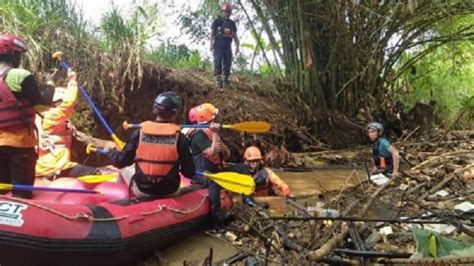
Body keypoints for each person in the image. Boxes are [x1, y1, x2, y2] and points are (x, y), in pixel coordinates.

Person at [103, 91, 195, 197]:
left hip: (142, 190)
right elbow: (189, 172)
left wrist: (111, 152)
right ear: (175, 114)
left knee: (123, 170)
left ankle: (121, 201)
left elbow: (121, 162)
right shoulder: (180, 137)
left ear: (155, 109)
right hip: (170, 190)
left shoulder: (140, 132)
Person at [0, 34, 52, 198]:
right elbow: (42, 105)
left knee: (1, 188)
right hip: (20, 144)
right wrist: (51, 84)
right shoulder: (20, 75)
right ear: (13, 54)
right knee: (21, 192)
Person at [35, 68, 100, 178]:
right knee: (95, 173)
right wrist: (72, 81)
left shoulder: (43, 117)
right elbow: (68, 104)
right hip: (56, 167)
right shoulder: (52, 117)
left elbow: (83, 139)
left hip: (47, 166)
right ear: (58, 102)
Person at [188, 103, 230, 226]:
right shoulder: (199, 135)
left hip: (213, 168)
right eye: (213, 117)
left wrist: (224, 148)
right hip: (199, 172)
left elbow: (227, 154)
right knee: (214, 181)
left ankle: (247, 201)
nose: (215, 119)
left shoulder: (210, 131)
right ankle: (217, 217)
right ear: (209, 118)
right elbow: (211, 153)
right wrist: (215, 133)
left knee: (241, 168)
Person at [210, 2, 240, 89]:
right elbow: (212, 33)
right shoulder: (217, 21)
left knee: (227, 63)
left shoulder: (232, 23)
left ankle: (226, 79)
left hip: (227, 46)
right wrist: (211, 44)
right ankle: (218, 79)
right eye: (225, 12)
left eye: (228, 12)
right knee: (217, 61)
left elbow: (234, 36)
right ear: (222, 12)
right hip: (218, 45)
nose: (226, 13)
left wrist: (237, 46)